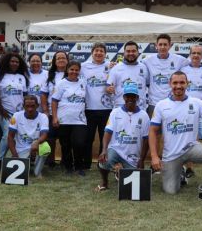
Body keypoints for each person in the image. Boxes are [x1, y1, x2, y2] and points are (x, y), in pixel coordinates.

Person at [149, 71, 202, 205]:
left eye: (182, 82)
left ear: (187, 83)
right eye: (175, 83)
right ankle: (181, 174)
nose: (178, 86)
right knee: (170, 191)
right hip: (171, 155)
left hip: (191, 148)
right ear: (170, 84)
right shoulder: (161, 105)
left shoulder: (196, 103)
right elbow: (153, 131)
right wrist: (154, 156)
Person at [95, 84, 150, 191]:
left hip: (133, 156)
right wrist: (104, 150)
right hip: (116, 149)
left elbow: (146, 139)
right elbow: (108, 132)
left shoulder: (144, 115)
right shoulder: (115, 112)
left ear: (137, 98)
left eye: (133, 96)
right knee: (104, 160)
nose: (130, 99)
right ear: (124, 97)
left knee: (135, 187)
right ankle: (105, 183)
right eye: (128, 96)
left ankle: (120, 171)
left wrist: (142, 159)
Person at [181, 44, 202, 178]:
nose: (195, 55)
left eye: (198, 53)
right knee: (188, 140)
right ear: (190, 54)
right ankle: (189, 168)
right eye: (193, 53)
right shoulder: (183, 69)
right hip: (186, 111)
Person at [80, 42, 113, 170]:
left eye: (101, 51)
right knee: (88, 139)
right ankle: (86, 164)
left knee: (104, 139)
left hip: (106, 109)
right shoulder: (83, 66)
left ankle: (102, 164)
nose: (99, 53)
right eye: (96, 50)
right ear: (92, 53)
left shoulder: (111, 66)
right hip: (89, 109)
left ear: (105, 54)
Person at [51, 61, 87, 176]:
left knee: (79, 143)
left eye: (76, 70)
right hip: (64, 120)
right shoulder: (61, 83)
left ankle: (79, 166)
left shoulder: (83, 83)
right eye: (72, 69)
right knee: (65, 145)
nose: (74, 72)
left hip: (80, 120)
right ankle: (68, 167)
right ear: (67, 70)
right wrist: (55, 117)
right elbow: (54, 101)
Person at [0, 53, 29, 170]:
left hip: (19, 113)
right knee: (6, 136)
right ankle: (0, 160)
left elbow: (25, 96)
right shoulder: (1, 76)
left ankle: (15, 159)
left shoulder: (22, 77)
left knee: (16, 137)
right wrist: (1, 108)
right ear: (7, 62)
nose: (14, 63)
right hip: (6, 112)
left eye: (17, 62)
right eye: (12, 61)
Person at [143, 33, 189, 116]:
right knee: (154, 128)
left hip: (172, 102)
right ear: (156, 45)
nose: (163, 47)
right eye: (160, 44)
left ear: (170, 46)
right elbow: (135, 67)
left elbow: (194, 65)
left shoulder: (179, 59)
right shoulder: (147, 60)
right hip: (154, 103)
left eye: (165, 44)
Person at [7, 95, 49, 178]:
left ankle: (37, 172)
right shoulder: (15, 116)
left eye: (33, 106)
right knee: (19, 171)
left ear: (37, 106)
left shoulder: (43, 117)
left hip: (35, 146)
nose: (30, 109)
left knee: (46, 147)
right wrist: (15, 155)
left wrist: (37, 142)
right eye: (27, 106)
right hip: (21, 149)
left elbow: (44, 134)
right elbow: (10, 137)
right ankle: (25, 163)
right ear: (23, 106)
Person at [41, 51, 68, 168]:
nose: (61, 60)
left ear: (67, 60)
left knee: (65, 139)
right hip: (52, 113)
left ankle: (64, 161)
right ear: (54, 61)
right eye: (58, 58)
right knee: (50, 138)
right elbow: (43, 94)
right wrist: (46, 111)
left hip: (67, 114)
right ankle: (50, 161)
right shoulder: (49, 75)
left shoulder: (72, 73)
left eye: (63, 58)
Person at [106, 41, 148, 111]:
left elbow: (149, 85)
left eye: (133, 51)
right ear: (124, 53)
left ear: (138, 52)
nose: (131, 53)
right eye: (128, 51)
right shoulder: (116, 68)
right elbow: (108, 88)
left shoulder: (143, 67)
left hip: (140, 109)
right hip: (120, 109)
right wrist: (109, 89)